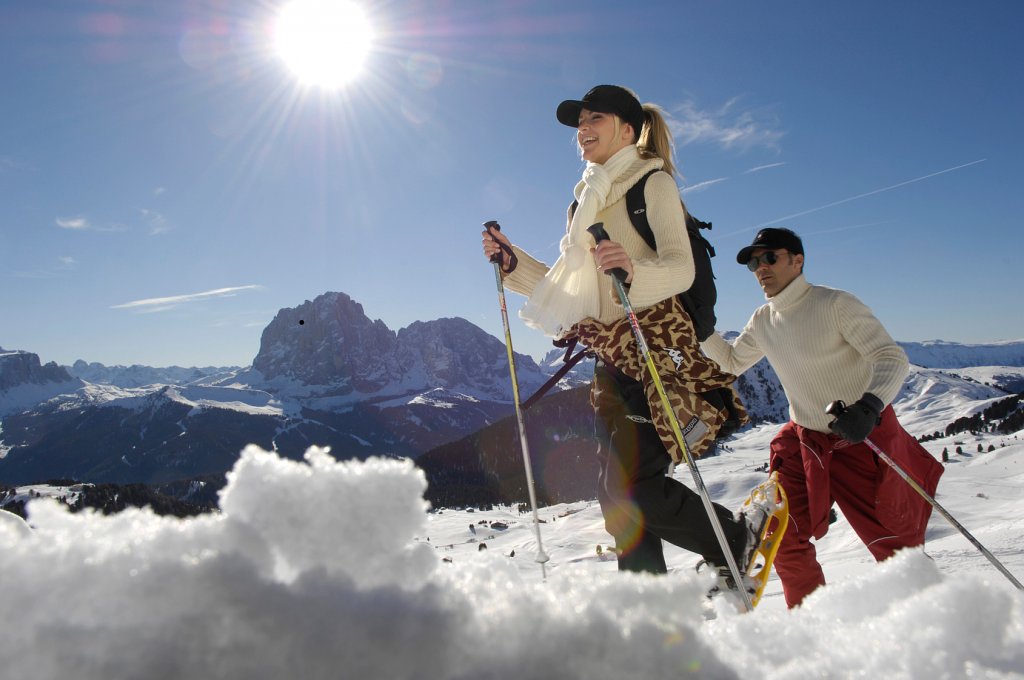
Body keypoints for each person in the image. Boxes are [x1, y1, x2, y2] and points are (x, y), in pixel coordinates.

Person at [480, 84, 761, 583]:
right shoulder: (584, 203)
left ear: (628, 129)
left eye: (595, 120)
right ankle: (645, 600)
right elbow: (576, 291)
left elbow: (680, 269)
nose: (582, 131)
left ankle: (732, 539)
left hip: (657, 352)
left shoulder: (651, 184)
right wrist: (513, 264)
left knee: (634, 488)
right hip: (611, 358)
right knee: (616, 498)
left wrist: (633, 270)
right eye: (579, 124)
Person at [699, 227, 945, 607]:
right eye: (752, 262)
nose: (759, 268)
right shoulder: (763, 319)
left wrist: (869, 406)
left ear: (798, 261)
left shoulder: (835, 304)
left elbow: (891, 357)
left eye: (769, 258)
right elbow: (732, 362)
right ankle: (809, 624)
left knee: (895, 547)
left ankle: (934, 623)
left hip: (861, 435)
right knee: (782, 536)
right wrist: (703, 331)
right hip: (805, 441)